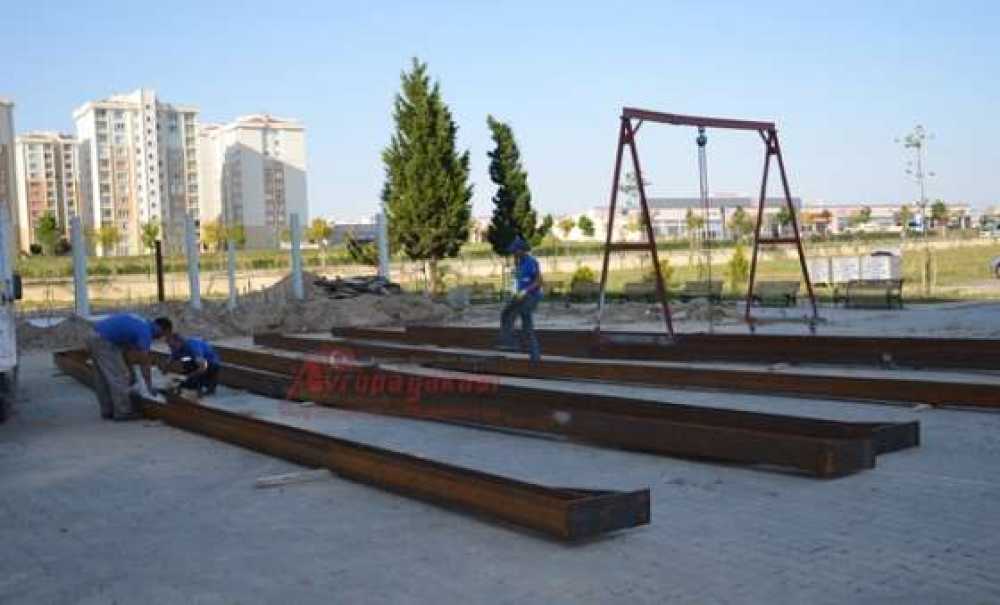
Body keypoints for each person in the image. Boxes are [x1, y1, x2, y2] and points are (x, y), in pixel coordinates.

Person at [86, 314, 171, 420]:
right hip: (104, 341)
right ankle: (123, 411)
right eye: (163, 334)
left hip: (94, 335)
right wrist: (149, 386)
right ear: (162, 329)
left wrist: (131, 371)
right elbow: (144, 362)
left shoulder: (141, 324)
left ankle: (107, 410)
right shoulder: (145, 332)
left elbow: (126, 353)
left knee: (102, 377)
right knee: (119, 377)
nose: (161, 338)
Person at [499, 236, 543, 361]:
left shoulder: (532, 262)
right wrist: (514, 291)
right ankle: (511, 342)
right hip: (520, 296)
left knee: (524, 317)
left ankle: (533, 354)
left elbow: (539, 281)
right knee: (506, 313)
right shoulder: (518, 262)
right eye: (512, 251)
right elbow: (518, 280)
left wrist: (526, 290)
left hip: (532, 296)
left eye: (515, 251)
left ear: (522, 250)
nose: (513, 253)